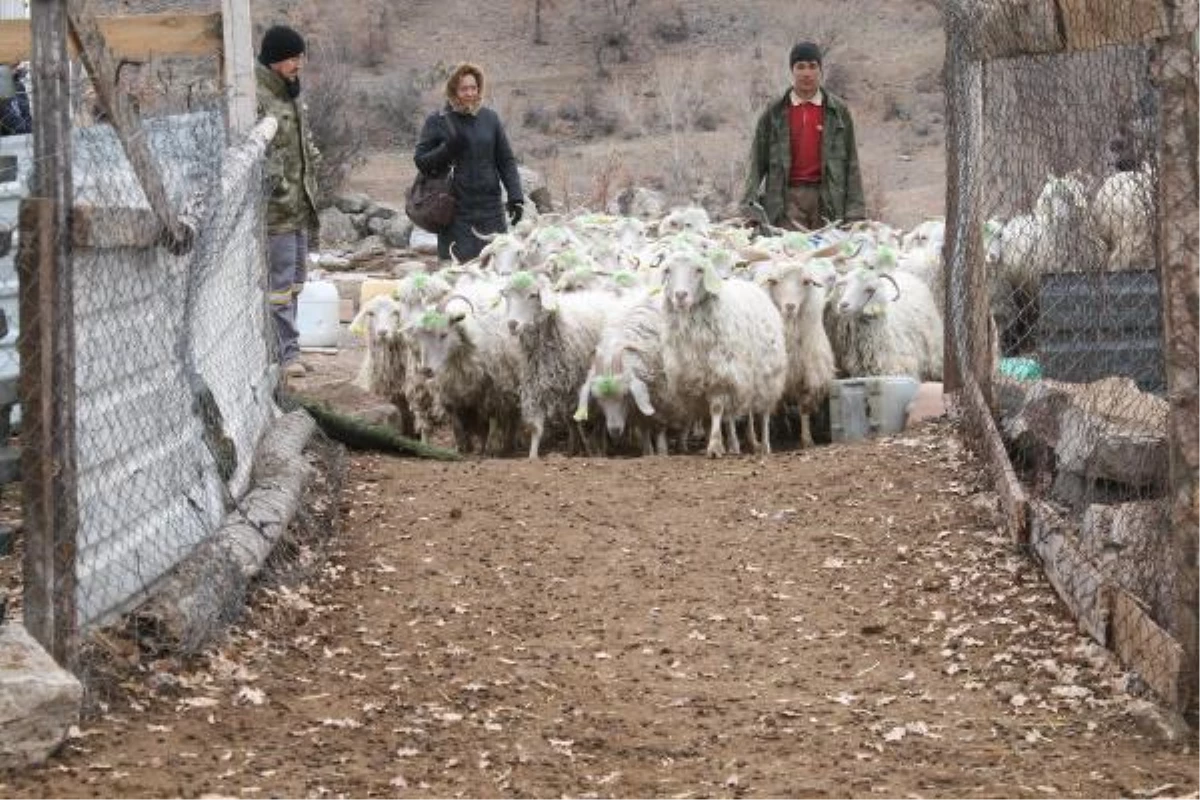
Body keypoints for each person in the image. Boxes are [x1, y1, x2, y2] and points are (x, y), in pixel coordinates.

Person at [255, 25, 321, 381]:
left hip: (298, 207)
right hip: (275, 210)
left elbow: (303, 145)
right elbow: (255, 153)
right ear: (277, 58)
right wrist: (277, 184)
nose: (298, 64)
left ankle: (290, 346)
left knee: (296, 281)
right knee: (278, 287)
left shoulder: (291, 95)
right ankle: (283, 354)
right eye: (293, 57)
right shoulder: (258, 98)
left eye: (300, 57)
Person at [742, 41, 865, 231]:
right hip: (786, 200)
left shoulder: (838, 112)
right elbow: (756, 162)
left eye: (812, 66)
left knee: (827, 255)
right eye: (800, 67)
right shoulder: (774, 112)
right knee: (790, 256)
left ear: (820, 70)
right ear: (792, 70)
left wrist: (855, 212)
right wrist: (748, 207)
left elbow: (852, 164)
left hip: (828, 199)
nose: (806, 73)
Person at [414, 63, 524, 262]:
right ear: (453, 90)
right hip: (456, 213)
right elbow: (421, 162)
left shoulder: (490, 118)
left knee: (497, 270)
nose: (470, 93)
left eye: (474, 88)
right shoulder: (438, 121)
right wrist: (448, 149)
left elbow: (506, 160)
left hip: (491, 210)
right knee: (457, 274)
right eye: (464, 88)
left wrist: (516, 196)